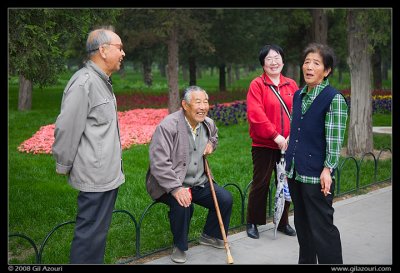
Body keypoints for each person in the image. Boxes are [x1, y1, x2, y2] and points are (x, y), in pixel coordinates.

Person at [52, 26, 126, 264]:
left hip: (106, 176)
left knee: (97, 236)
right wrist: (63, 164)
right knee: (89, 238)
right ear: (103, 50)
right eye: (119, 48)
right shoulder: (85, 82)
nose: (123, 53)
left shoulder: (102, 80)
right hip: (94, 177)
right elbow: (66, 128)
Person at [146, 86, 233, 264]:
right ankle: (179, 245)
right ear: (185, 105)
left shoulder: (207, 123)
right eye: (198, 102)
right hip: (170, 183)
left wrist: (211, 144)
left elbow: (214, 137)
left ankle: (209, 235)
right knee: (184, 204)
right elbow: (159, 162)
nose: (203, 107)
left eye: (205, 102)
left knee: (225, 198)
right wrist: (177, 188)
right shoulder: (168, 126)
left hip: (198, 181)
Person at [285, 43, 348, 264]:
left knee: (322, 228)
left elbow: (334, 140)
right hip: (295, 171)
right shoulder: (298, 96)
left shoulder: (334, 99)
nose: (309, 67)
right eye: (306, 62)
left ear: (327, 70)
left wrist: (327, 169)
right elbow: (297, 129)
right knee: (303, 227)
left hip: (317, 175)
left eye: (316, 63)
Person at [246, 44, 298, 239]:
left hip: (288, 144)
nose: (274, 62)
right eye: (269, 59)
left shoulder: (292, 84)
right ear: (263, 63)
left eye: (277, 58)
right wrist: (275, 135)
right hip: (264, 145)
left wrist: (291, 136)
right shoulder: (257, 85)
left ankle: (283, 221)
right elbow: (255, 114)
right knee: (261, 183)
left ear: (283, 61)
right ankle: (253, 221)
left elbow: (298, 112)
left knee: (285, 183)